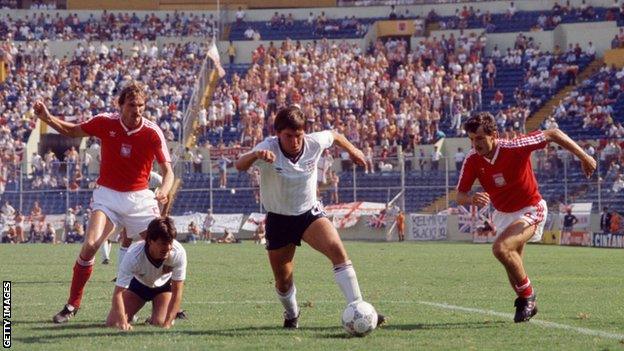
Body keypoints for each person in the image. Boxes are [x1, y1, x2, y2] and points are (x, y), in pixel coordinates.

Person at [34, 81, 174, 324]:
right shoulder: (104, 122)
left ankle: (167, 300)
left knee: (163, 246)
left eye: (141, 105)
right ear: (120, 106)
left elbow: (168, 171)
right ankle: (72, 305)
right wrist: (47, 117)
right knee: (90, 245)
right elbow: (72, 131)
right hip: (107, 195)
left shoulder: (152, 132)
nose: (137, 110)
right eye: (132, 105)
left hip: (140, 197)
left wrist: (163, 188)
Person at [234, 106, 386, 329]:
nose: (294, 141)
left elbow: (334, 135)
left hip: (308, 214)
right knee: (283, 281)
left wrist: (353, 150)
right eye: (288, 136)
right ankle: (292, 314)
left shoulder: (314, 142)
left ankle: (358, 306)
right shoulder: (267, 147)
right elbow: (239, 165)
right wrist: (256, 155)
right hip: (279, 219)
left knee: (337, 250)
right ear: (278, 134)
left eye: (298, 135)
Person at [456, 112, 595, 323]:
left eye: (480, 138)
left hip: (531, 207)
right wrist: (472, 199)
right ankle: (527, 300)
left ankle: (528, 296)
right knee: (513, 263)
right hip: (503, 214)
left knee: (501, 248)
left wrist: (585, 157)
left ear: (494, 135)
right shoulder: (472, 159)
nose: (475, 144)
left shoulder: (514, 147)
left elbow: (553, 133)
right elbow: (460, 195)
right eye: (472, 139)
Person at [106, 217, 186, 330]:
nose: (168, 248)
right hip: (139, 286)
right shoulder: (133, 255)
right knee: (114, 323)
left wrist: (167, 323)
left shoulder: (178, 252)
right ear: (150, 241)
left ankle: (155, 317)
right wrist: (123, 323)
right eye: (162, 243)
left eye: (170, 243)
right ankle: (132, 315)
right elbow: (118, 293)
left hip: (163, 287)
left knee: (160, 322)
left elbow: (177, 291)